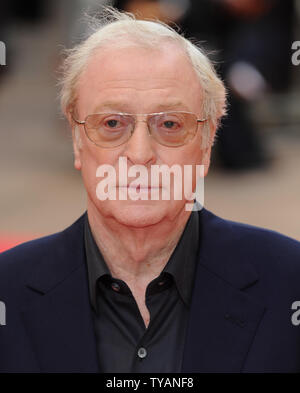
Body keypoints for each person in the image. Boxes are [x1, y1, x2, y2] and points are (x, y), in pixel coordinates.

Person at [0, 6, 300, 373]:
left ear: (206, 144)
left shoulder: (290, 283)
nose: (140, 155)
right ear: (77, 140)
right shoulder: (6, 292)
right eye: (112, 122)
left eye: (170, 124)